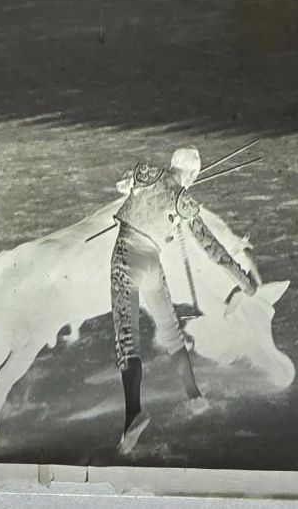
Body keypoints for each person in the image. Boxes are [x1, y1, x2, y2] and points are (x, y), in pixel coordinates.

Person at [109, 148, 257, 455]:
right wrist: (244, 282)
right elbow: (213, 250)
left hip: (126, 255)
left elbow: (122, 185)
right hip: (152, 262)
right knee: (170, 328)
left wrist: (133, 189)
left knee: (127, 338)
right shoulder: (184, 201)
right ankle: (193, 394)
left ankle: (134, 412)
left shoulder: (146, 171)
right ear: (191, 174)